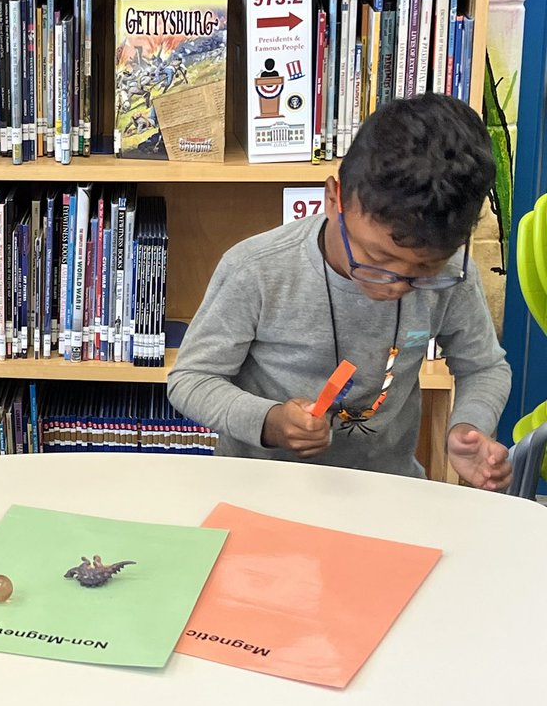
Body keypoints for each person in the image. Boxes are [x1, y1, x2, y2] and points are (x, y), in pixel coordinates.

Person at [168, 94, 512, 490]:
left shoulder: (453, 275)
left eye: (424, 269)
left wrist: (470, 426)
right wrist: (270, 422)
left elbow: (484, 367)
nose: (397, 284)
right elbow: (191, 379)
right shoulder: (257, 269)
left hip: (384, 489)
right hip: (260, 488)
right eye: (377, 258)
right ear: (334, 198)